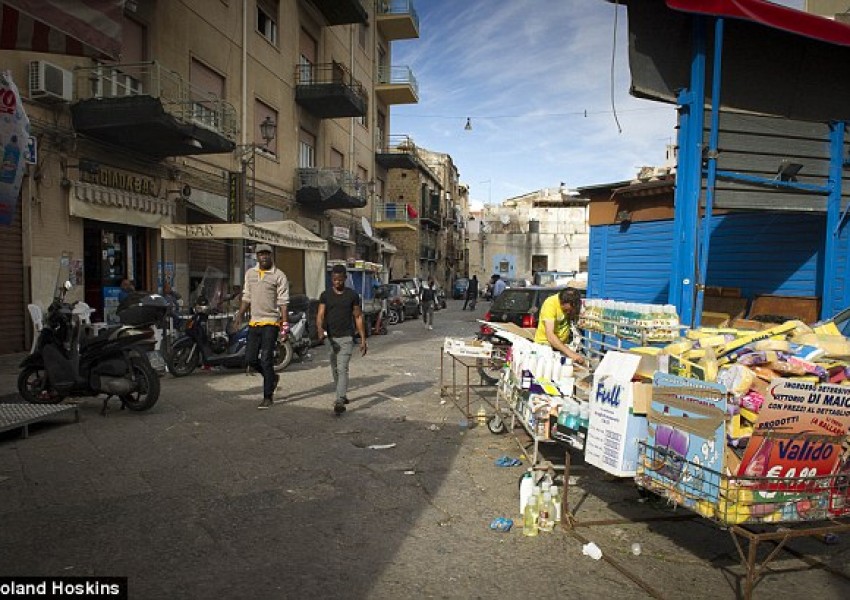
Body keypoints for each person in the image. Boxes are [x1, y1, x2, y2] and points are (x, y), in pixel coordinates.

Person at [234, 244, 289, 409]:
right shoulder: (250, 274)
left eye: (266, 254)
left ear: (271, 256)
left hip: (271, 323)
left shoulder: (279, 276)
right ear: (256, 256)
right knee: (249, 359)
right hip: (254, 322)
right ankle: (272, 377)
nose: (263, 257)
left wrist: (284, 326)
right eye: (260, 254)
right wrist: (239, 315)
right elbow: (247, 296)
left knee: (266, 360)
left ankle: (267, 396)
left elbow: (283, 303)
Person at [316, 264, 368, 414]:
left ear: (345, 278)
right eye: (334, 280)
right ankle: (342, 393)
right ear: (331, 279)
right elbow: (320, 315)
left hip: (346, 337)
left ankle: (339, 399)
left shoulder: (352, 295)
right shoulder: (325, 295)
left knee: (342, 368)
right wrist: (320, 329)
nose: (337, 282)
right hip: (330, 338)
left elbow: (358, 317)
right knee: (335, 369)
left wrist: (363, 339)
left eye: (340, 280)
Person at [533, 287, 585, 365]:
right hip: (545, 346)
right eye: (565, 310)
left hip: (561, 347)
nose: (568, 312)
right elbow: (550, 335)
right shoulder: (550, 304)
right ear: (561, 302)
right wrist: (570, 353)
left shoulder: (575, 304)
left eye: (570, 310)